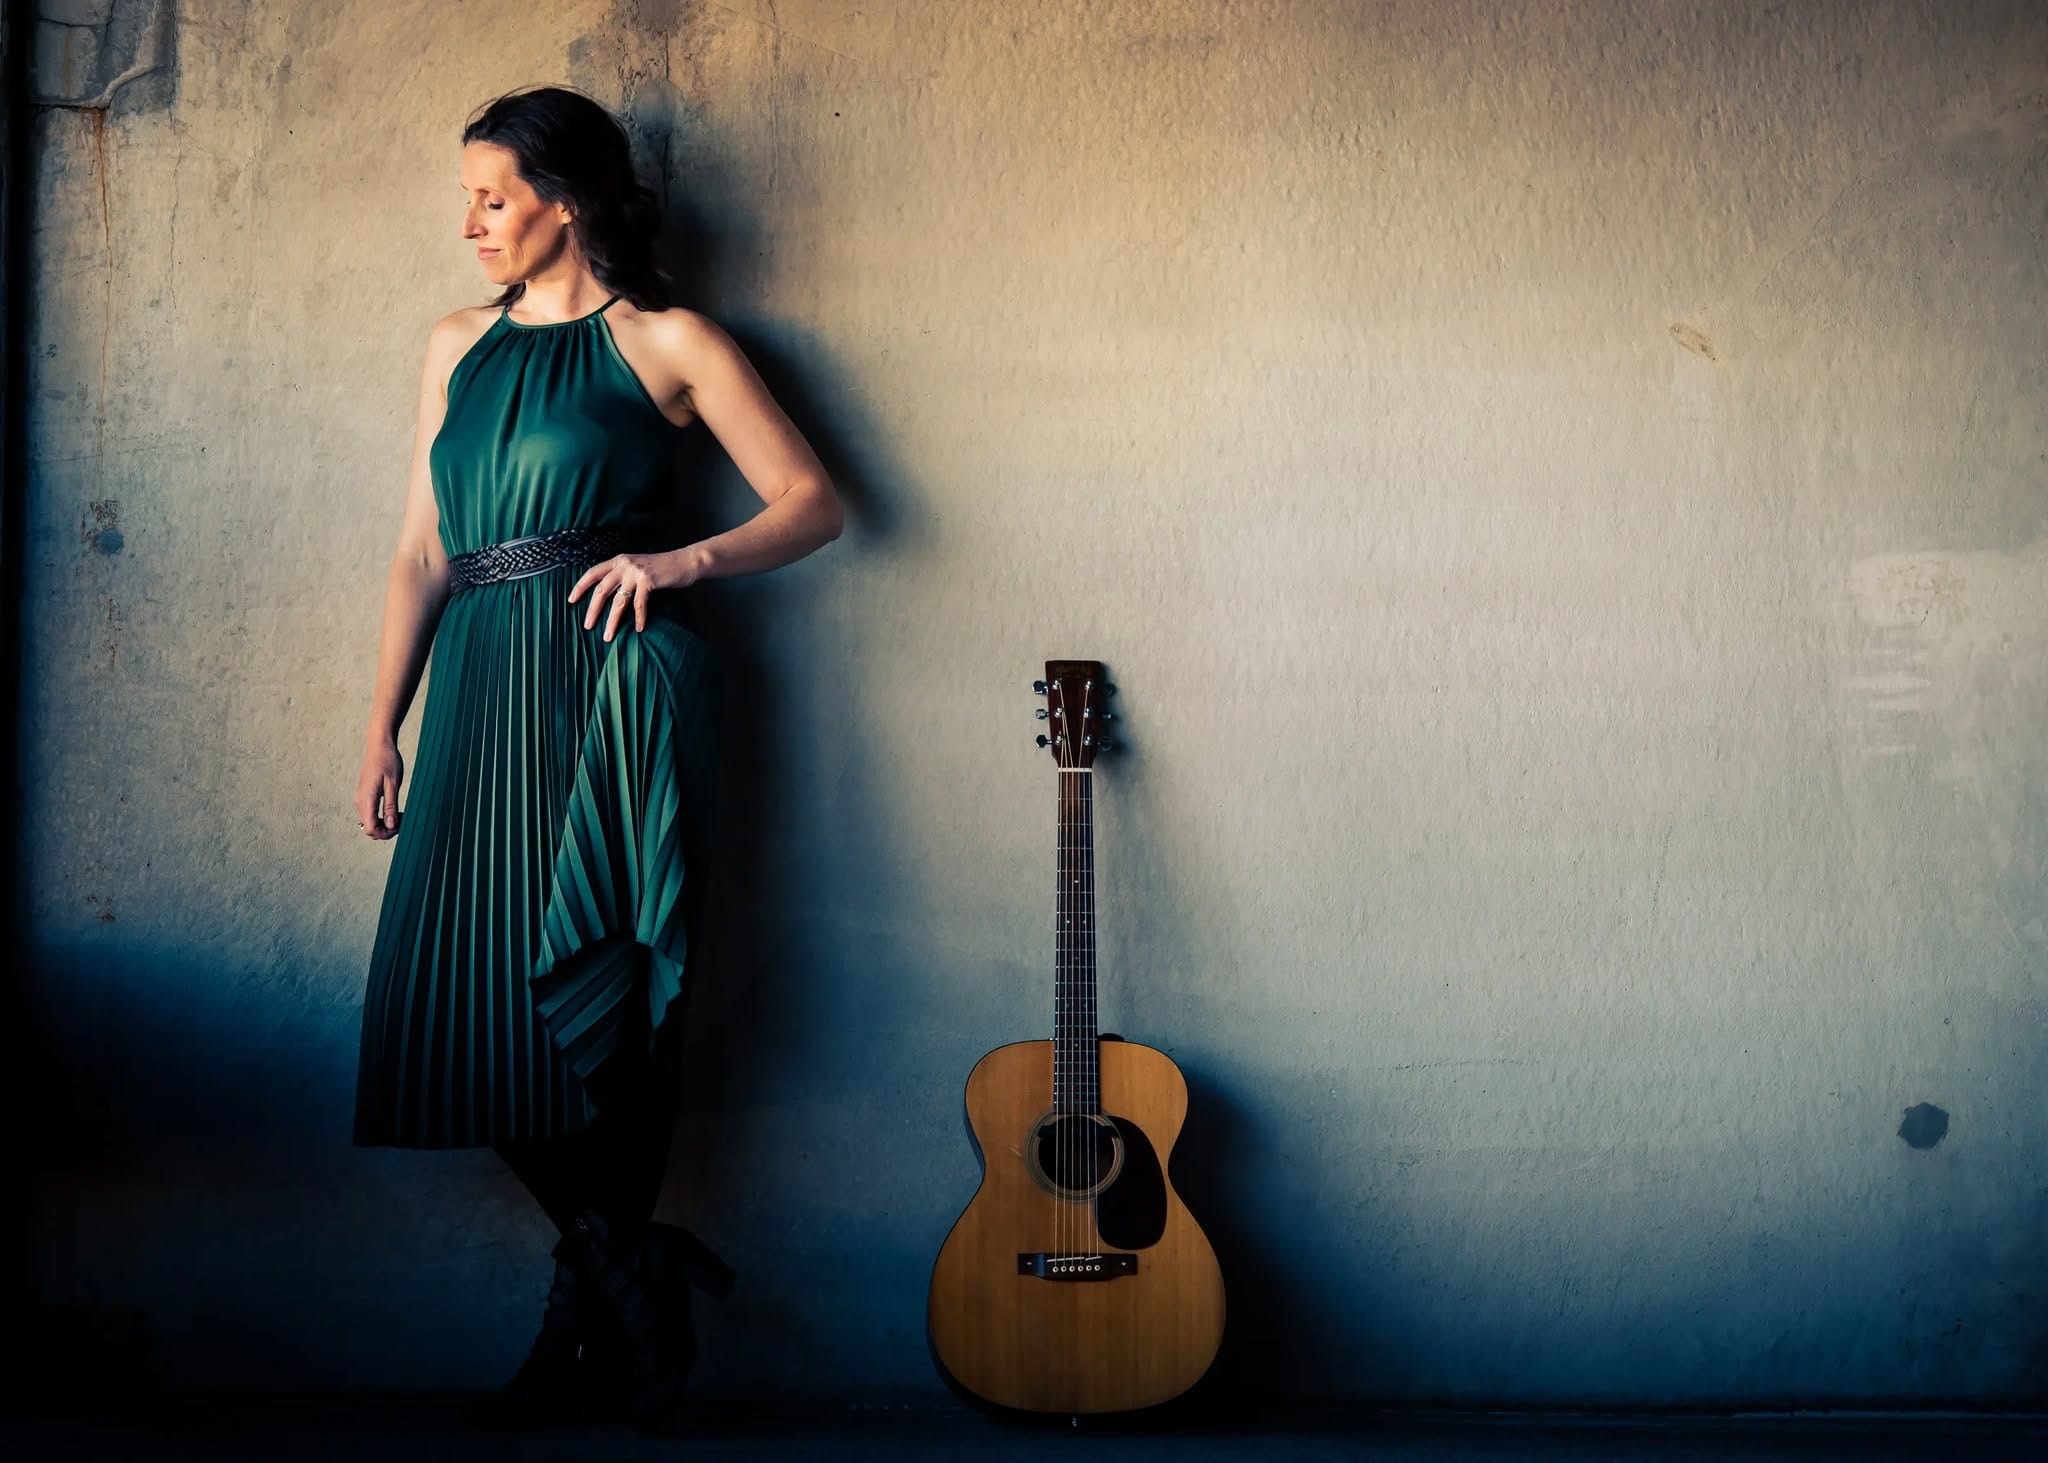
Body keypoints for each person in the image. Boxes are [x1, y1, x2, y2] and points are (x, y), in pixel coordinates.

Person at [348, 85, 841, 1432]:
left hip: (618, 685)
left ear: (566, 201)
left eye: (493, 198)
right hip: (483, 686)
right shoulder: (458, 344)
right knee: (458, 1000)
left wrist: (684, 558)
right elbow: (421, 552)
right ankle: (626, 1266)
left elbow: (815, 502)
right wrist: (384, 724)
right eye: (469, 200)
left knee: (607, 999)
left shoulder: (669, 342)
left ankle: (599, 1296)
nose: (470, 225)